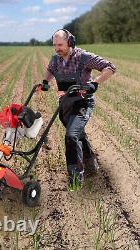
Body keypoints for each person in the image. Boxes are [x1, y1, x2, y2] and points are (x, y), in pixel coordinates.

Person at [40, 29, 116, 190]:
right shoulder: (55, 59)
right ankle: (91, 166)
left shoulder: (83, 57)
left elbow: (109, 67)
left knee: (71, 136)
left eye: (60, 45)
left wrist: (95, 83)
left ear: (70, 42)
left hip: (82, 104)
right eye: (54, 45)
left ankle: (75, 179)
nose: (57, 48)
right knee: (78, 135)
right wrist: (45, 81)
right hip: (65, 106)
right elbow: (50, 70)